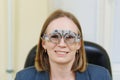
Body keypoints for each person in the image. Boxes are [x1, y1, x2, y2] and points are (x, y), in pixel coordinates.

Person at [15, 9, 112, 80]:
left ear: (78, 44)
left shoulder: (101, 76)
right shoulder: (23, 78)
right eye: (54, 36)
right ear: (44, 43)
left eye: (69, 37)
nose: (62, 44)